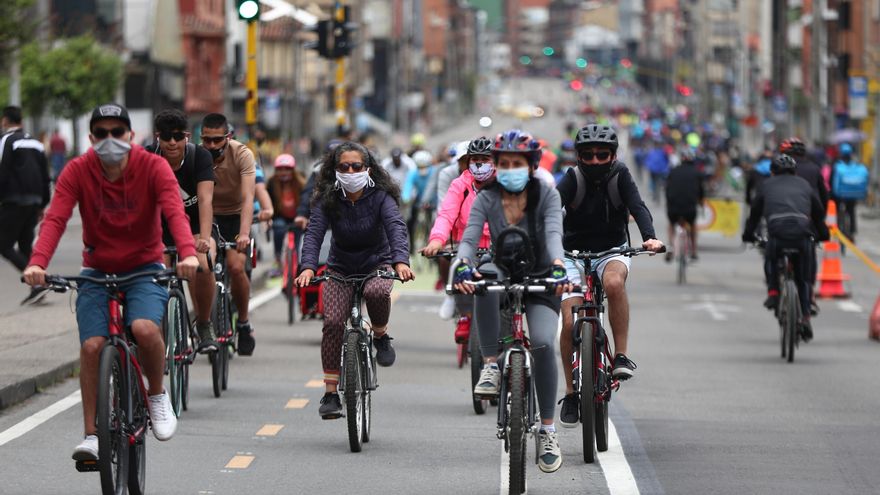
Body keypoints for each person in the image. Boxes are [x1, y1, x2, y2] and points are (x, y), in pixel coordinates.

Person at [22, 103, 199, 461]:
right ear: (91, 138)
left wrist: (188, 253)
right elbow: (55, 218)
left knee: (145, 329)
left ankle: (157, 394)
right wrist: (37, 263)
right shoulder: (78, 169)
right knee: (92, 347)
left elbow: (174, 211)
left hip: (144, 269)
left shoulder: (153, 167)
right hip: (97, 271)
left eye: (117, 132)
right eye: (101, 133)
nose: (109, 139)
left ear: (130, 135)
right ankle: (92, 435)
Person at [453, 129, 572, 474]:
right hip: (501, 270)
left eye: (516, 163)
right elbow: (469, 237)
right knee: (483, 279)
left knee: (545, 344)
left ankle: (547, 431)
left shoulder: (547, 194)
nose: (509, 169)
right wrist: (462, 263)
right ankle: (491, 363)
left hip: (542, 275)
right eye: (502, 163)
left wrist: (559, 265)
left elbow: (554, 234)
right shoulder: (486, 197)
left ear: (531, 166)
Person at [294, 141, 414, 419]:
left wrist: (401, 262)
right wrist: (308, 267)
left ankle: (381, 335)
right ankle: (330, 393)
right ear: (334, 170)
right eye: (343, 167)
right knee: (333, 323)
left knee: (376, 292)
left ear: (368, 169)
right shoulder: (327, 197)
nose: (350, 172)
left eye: (356, 167)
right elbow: (314, 233)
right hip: (340, 267)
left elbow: (396, 227)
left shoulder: (381, 196)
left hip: (377, 262)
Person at [555, 124, 664, 427]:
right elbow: (550, 209)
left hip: (612, 251)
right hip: (571, 254)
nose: (595, 161)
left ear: (613, 155)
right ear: (578, 156)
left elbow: (637, 206)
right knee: (569, 322)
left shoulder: (621, 175)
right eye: (588, 155)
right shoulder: (572, 178)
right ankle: (571, 393)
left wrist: (650, 237)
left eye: (602, 155)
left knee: (614, 283)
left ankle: (621, 356)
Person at [146, 109, 218, 351]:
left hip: (195, 224)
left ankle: (204, 323)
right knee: (153, 272)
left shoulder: (200, 157)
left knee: (203, 265)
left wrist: (205, 239)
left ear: (186, 136)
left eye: (178, 137)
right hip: (159, 226)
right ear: (158, 137)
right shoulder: (148, 157)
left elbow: (205, 200)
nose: (172, 143)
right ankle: (154, 336)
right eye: (166, 137)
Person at [742, 154, 829, 341]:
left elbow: (754, 213)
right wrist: (823, 234)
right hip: (802, 235)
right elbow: (818, 212)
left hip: (777, 235)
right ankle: (805, 317)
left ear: (772, 172)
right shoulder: (804, 185)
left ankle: (773, 292)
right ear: (794, 172)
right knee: (803, 279)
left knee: (771, 258)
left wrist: (748, 235)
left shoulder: (766, 185)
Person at [422, 136, 494, 341]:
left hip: (499, 248)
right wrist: (437, 240)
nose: (479, 164)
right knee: (458, 268)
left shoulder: (503, 184)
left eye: (485, 159)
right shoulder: (460, 184)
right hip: (467, 246)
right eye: (475, 159)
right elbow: (446, 215)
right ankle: (465, 315)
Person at [200, 113, 257, 355]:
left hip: (236, 217)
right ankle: (205, 321)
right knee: (205, 264)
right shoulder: (197, 155)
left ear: (228, 137)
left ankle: (243, 322)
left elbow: (248, 198)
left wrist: (244, 234)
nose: (212, 145)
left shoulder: (242, 154)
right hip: (209, 217)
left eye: (217, 140)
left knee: (235, 267)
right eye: (207, 140)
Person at [0, 106, 52, 304]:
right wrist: (43, 203)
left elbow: (3, 170)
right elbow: (45, 176)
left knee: (4, 245)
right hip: (35, 201)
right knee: (24, 245)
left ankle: (38, 282)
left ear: (5, 121)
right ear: (21, 121)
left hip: (14, 200)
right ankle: (36, 286)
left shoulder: (7, 140)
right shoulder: (36, 143)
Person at [268, 154, 306, 275]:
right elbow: (267, 203)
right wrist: (268, 218)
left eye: (287, 169)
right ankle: (278, 258)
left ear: (293, 170)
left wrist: (306, 217)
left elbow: (307, 202)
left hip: (298, 217)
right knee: (278, 228)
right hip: (280, 217)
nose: (283, 172)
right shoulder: (271, 184)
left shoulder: (301, 184)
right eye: (280, 169)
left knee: (299, 240)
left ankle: (299, 263)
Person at [665, 147, 704, 262]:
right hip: (690, 208)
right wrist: (701, 202)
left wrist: (669, 203)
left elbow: (667, 189)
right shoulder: (697, 173)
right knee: (692, 225)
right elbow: (701, 192)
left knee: (671, 224)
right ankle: (694, 251)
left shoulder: (673, 171)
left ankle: (670, 247)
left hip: (674, 208)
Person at [830, 142, 869, 243]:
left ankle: (837, 230)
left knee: (837, 209)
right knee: (851, 212)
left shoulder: (837, 165)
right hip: (852, 194)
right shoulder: (855, 165)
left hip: (839, 195)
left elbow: (831, 181)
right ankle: (852, 232)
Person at [402, 150, 436, 253]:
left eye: (424, 166)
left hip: (433, 201)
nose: (422, 169)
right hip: (419, 201)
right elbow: (407, 186)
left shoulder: (434, 172)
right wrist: (406, 198)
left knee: (434, 222)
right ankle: (411, 247)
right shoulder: (413, 173)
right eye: (419, 167)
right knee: (411, 221)